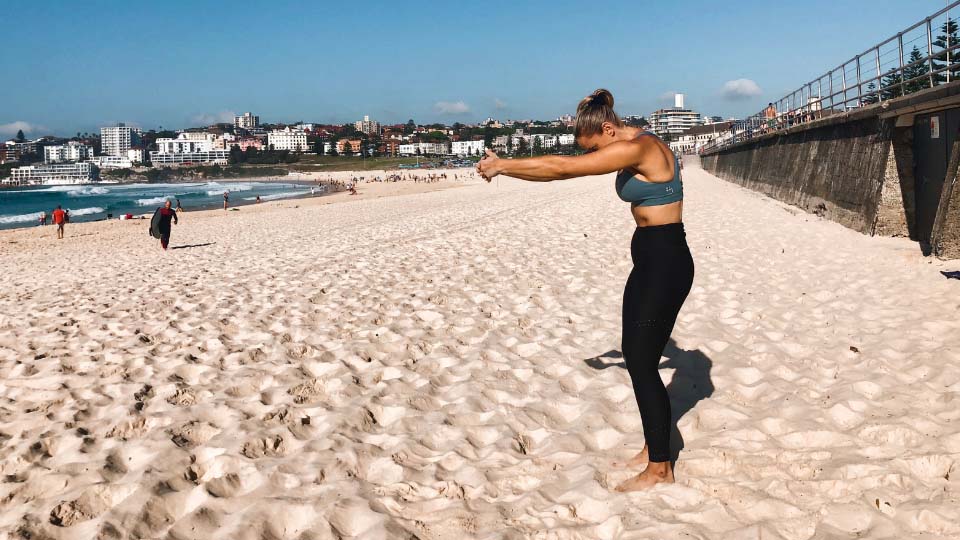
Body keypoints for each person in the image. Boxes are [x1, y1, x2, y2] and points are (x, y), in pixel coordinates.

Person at [477, 89, 694, 492]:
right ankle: (654, 447)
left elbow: (562, 168)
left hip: (666, 262)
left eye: (595, 146)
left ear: (608, 129)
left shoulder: (640, 147)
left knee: (642, 361)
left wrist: (504, 166)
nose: (593, 154)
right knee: (635, 354)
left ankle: (661, 467)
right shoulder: (637, 140)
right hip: (652, 259)